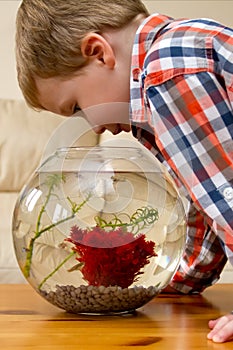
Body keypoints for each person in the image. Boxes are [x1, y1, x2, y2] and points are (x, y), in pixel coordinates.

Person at [15, 0, 233, 343]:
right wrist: (181, 279)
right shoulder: (176, 60)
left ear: (98, 52)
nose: (95, 128)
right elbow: (203, 202)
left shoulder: (169, 68)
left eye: (76, 107)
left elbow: (227, 193)